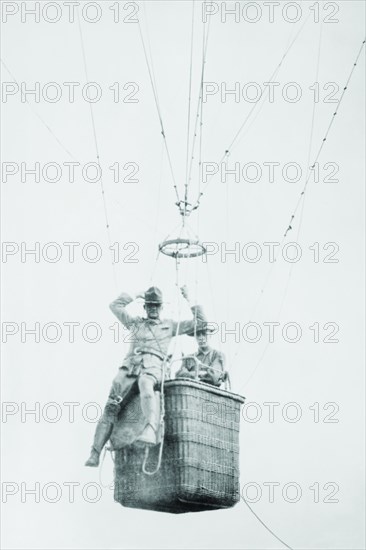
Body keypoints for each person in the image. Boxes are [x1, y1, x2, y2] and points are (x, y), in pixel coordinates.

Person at [85, 285, 205, 467]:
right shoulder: (135, 324)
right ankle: (95, 452)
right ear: (145, 307)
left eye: (156, 306)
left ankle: (150, 430)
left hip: (153, 368)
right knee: (111, 405)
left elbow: (201, 324)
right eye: (149, 306)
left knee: (145, 383)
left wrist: (190, 298)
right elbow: (115, 306)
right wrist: (136, 294)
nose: (153, 309)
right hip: (129, 368)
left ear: (161, 307)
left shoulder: (169, 326)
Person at [175, 321, 226, 387]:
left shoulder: (218, 355)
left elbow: (213, 377)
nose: (201, 338)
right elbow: (179, 375)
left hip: (210, 393)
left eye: (204, 334)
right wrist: (201, 373)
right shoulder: (189, 358)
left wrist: (190, 374)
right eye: (198, 334)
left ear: (210, 335)